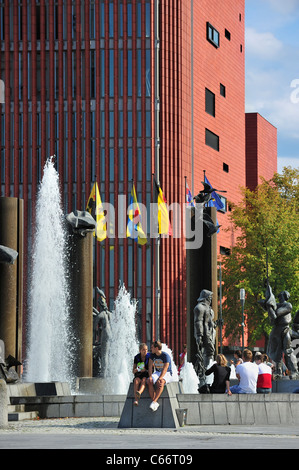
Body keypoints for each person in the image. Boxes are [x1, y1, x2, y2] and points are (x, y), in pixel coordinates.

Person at [147, 340, 173, 412]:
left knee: (161, 383)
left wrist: (160, 378)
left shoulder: (165, 356)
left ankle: (154, 401)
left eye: (152, 347)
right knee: (149, 381)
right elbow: (150, 367)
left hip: (167, 373)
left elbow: (165, 369)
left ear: (156, 348)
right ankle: (154, 402)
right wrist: (150, 376)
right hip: (158, 372)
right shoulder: (152, 355)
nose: (150, 349)